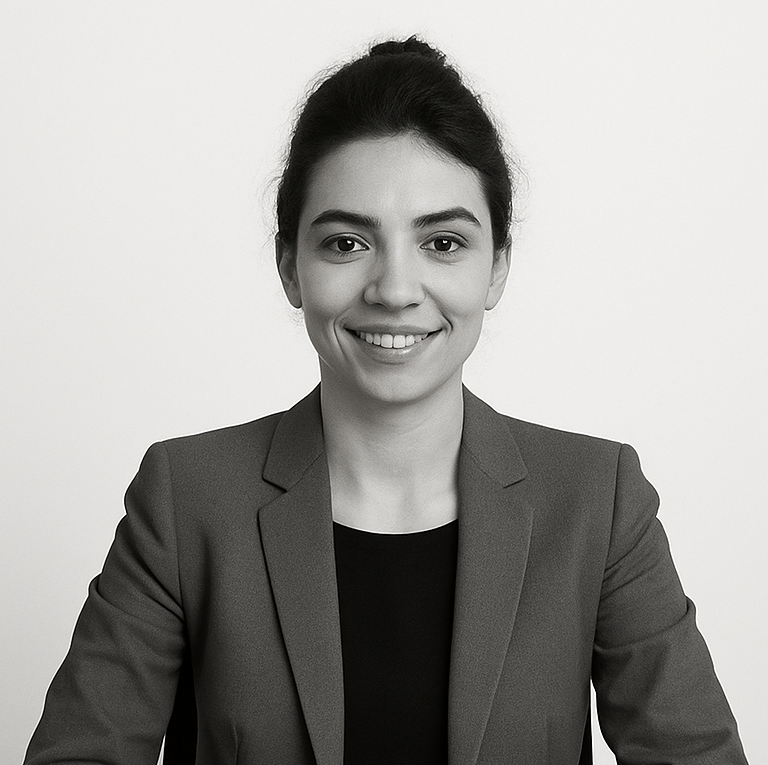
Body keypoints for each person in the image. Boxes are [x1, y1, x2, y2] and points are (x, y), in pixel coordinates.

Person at [24, 37, 748, 765]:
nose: (396, 290)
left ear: (497, 266)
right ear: (289, 267)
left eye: (443, 242)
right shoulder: (187, 500)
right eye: (346, 243)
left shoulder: (598, 499)